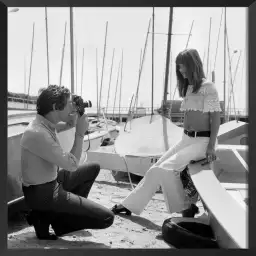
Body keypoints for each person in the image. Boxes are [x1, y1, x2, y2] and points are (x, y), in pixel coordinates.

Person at [111, 48, 221, 218]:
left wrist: (212, 147)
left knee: (165, 169)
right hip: (186, 139)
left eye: (183, 66)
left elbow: (215, 119)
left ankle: (186, 207)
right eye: (179, 67)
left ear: (193, 65)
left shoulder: (208, 87)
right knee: (155, 169)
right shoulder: (189, 88)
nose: (181, 70)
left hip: (203, 141)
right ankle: (129, 205)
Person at [21, 85, 114, 240]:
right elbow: (72, 165)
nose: (72, 107)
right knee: (107, 218)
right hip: (44, 194)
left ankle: (52, 216)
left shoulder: (43, 123)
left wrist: (75, 118)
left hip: (49, 183)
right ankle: (53, 218)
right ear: (55, 107)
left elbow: (69, 124)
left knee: (93, 168)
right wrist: (79, 135)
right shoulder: (38, 134)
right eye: (70, 104)